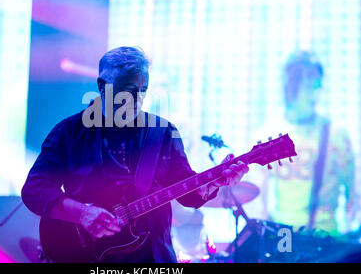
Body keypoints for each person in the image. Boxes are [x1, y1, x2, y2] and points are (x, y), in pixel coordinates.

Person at [21, 46, 249, 262]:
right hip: (85, 256)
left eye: (143, 90)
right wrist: (81, 214)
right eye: (128, 90)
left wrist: (212, 183)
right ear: (102, 85)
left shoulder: (163, 133)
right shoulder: (70, 132)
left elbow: (187, 192)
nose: (137, 98)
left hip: (153, 257)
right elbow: (34, 190)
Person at [247, 51, 357, 236]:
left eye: (317, 85)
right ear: (291, 86)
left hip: (327, 237)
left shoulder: (336, 134)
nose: (315, 93)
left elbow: (353, 192)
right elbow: (256, 195)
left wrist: (351, 232)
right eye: (308, 86)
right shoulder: (269, 134)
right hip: (284, 237)